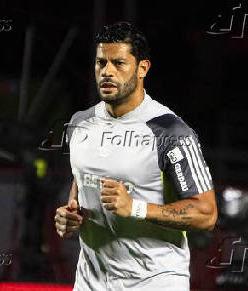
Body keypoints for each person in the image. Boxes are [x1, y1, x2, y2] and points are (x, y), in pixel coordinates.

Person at [54, 22, 217, 291]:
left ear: (143, 68)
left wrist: (135, 207)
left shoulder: (170, 131)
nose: (107, 72)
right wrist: (71, 213)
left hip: (154, 281)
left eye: (118, 63)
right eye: (100, 63)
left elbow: (206, 213)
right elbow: (82, 179)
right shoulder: (79, 123)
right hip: (89, 282)